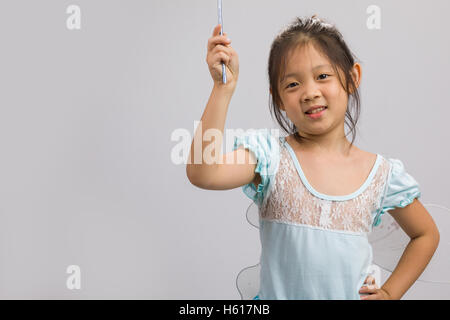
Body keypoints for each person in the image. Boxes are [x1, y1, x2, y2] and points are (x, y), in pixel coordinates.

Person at [186, 15, 440, 300]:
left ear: (352, 77)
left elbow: (426, 235)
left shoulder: (381, 174)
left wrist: (391, 293)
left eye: (322, 76)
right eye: (292, 85)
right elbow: (202, 173)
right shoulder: (270, 157)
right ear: (278, 99)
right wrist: (223, 89)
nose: (309, 93)